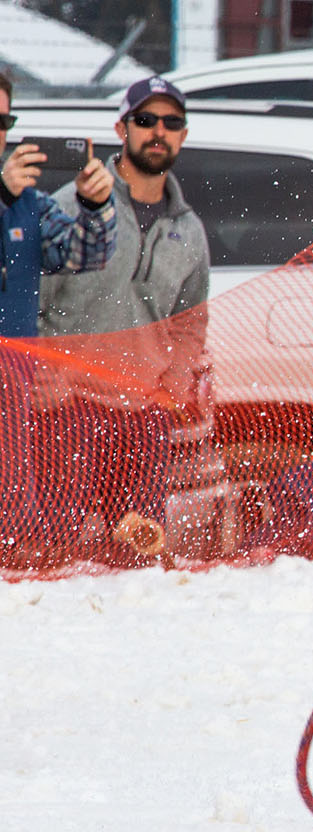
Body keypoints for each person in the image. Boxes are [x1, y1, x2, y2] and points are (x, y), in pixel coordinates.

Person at [38, 75, 211, 565]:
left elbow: (189, 321)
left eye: (171, 122)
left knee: (135, 556)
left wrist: (175, 381)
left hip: (143, 419)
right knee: (55, 553)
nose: (158, 131)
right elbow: (30, 301)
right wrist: (40, 373)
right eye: (145, 120)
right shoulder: (72, 207)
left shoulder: (188, 229)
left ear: (183, 134)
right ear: (121, 128)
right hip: (65, 414)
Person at [0, 69, 118, 566]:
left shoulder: (29, 201)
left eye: (3, 118)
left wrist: (96, 206)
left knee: (14, 511)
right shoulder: (10, 195)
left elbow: (84, 255)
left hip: (13, 388)